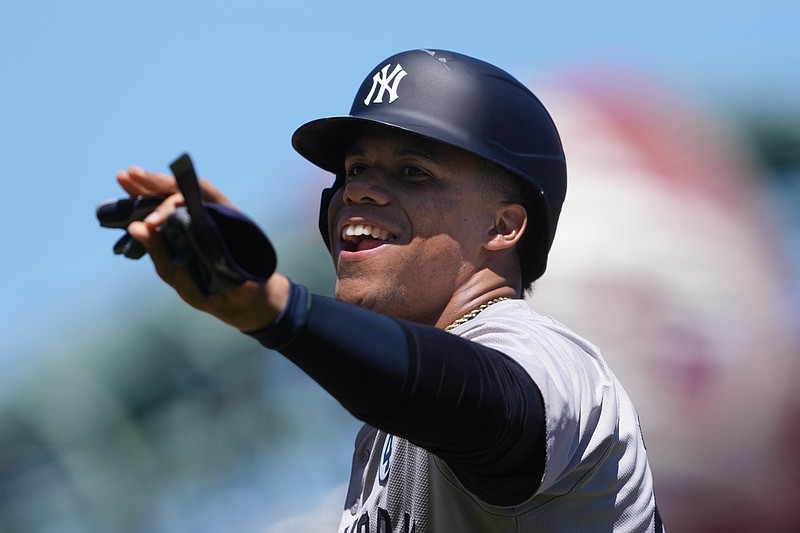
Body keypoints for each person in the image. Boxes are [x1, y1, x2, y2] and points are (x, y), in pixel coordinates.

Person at [109, 49, 662, 532]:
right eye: (353, 170)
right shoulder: (384, 435)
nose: (359, 192)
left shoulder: (546, 356)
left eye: (413, 172)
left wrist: (279, 308)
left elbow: (490, 407)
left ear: (504, 227)